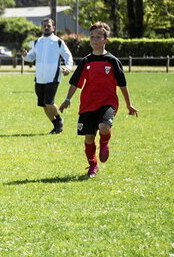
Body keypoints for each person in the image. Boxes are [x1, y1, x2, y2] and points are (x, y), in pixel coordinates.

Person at [58, 22, 138, 178]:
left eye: (98, 37)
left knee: (103, 127)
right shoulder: (86, 61)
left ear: (105, 40)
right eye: (92, 37)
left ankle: (104, 143)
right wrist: (67, 99)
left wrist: (129, 105)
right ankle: (93, 165)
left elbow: (122, 84)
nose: (94, 40)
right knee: (88, 138)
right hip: (88, 103)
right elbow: (76, 82)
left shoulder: (112, 61)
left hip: (108, 101)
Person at [22, 18, 74, 134]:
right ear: (41, 28)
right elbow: (31, 57)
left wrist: (68, 67)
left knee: (49, 103)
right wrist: (25, 56)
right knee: (44, 106)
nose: (46, 27)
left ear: (53, 28)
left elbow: (68, 56)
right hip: (39, 78)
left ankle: (59, 121)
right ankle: (56, 126)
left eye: (49, 26)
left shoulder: (58, 41)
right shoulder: (37, 42)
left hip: (53, 78)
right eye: (44, 25)